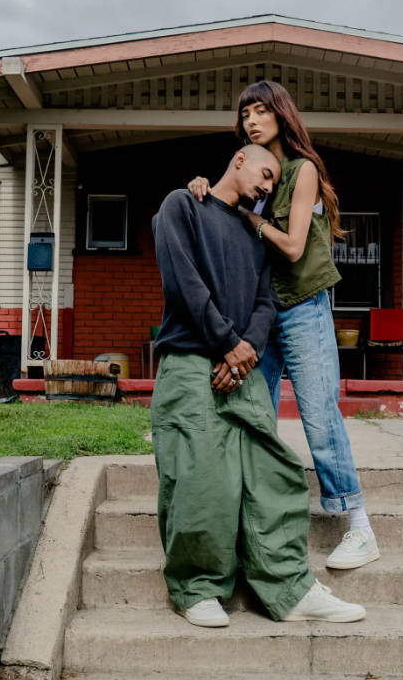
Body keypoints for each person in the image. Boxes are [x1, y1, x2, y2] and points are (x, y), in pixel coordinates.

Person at [151, 143, 366, 628]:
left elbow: (267, 301)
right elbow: (183, 282)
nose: (268, 187)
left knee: (273, 474)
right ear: (239, 160)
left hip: (241, 365)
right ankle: (197, 587)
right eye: (265, 174)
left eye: (274, 182)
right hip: (191, 360)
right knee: (202, 478)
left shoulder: (254, 235)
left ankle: (291, 587)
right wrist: (228, 342)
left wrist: (244, 347)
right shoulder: (182, 205)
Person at [188, 81, 380, 571]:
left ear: (281, 115)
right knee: (258, 416)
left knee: (319, 417)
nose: (252, 119)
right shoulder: (253, 172)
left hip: (304, 308)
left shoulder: (302, 171)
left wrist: (253, 223)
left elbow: (293, 246)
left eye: (261, 111)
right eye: (245, 113)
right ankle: (259, 521)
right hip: (263, 313)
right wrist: (202, 189)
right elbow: (223, 211)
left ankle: (358, 526)